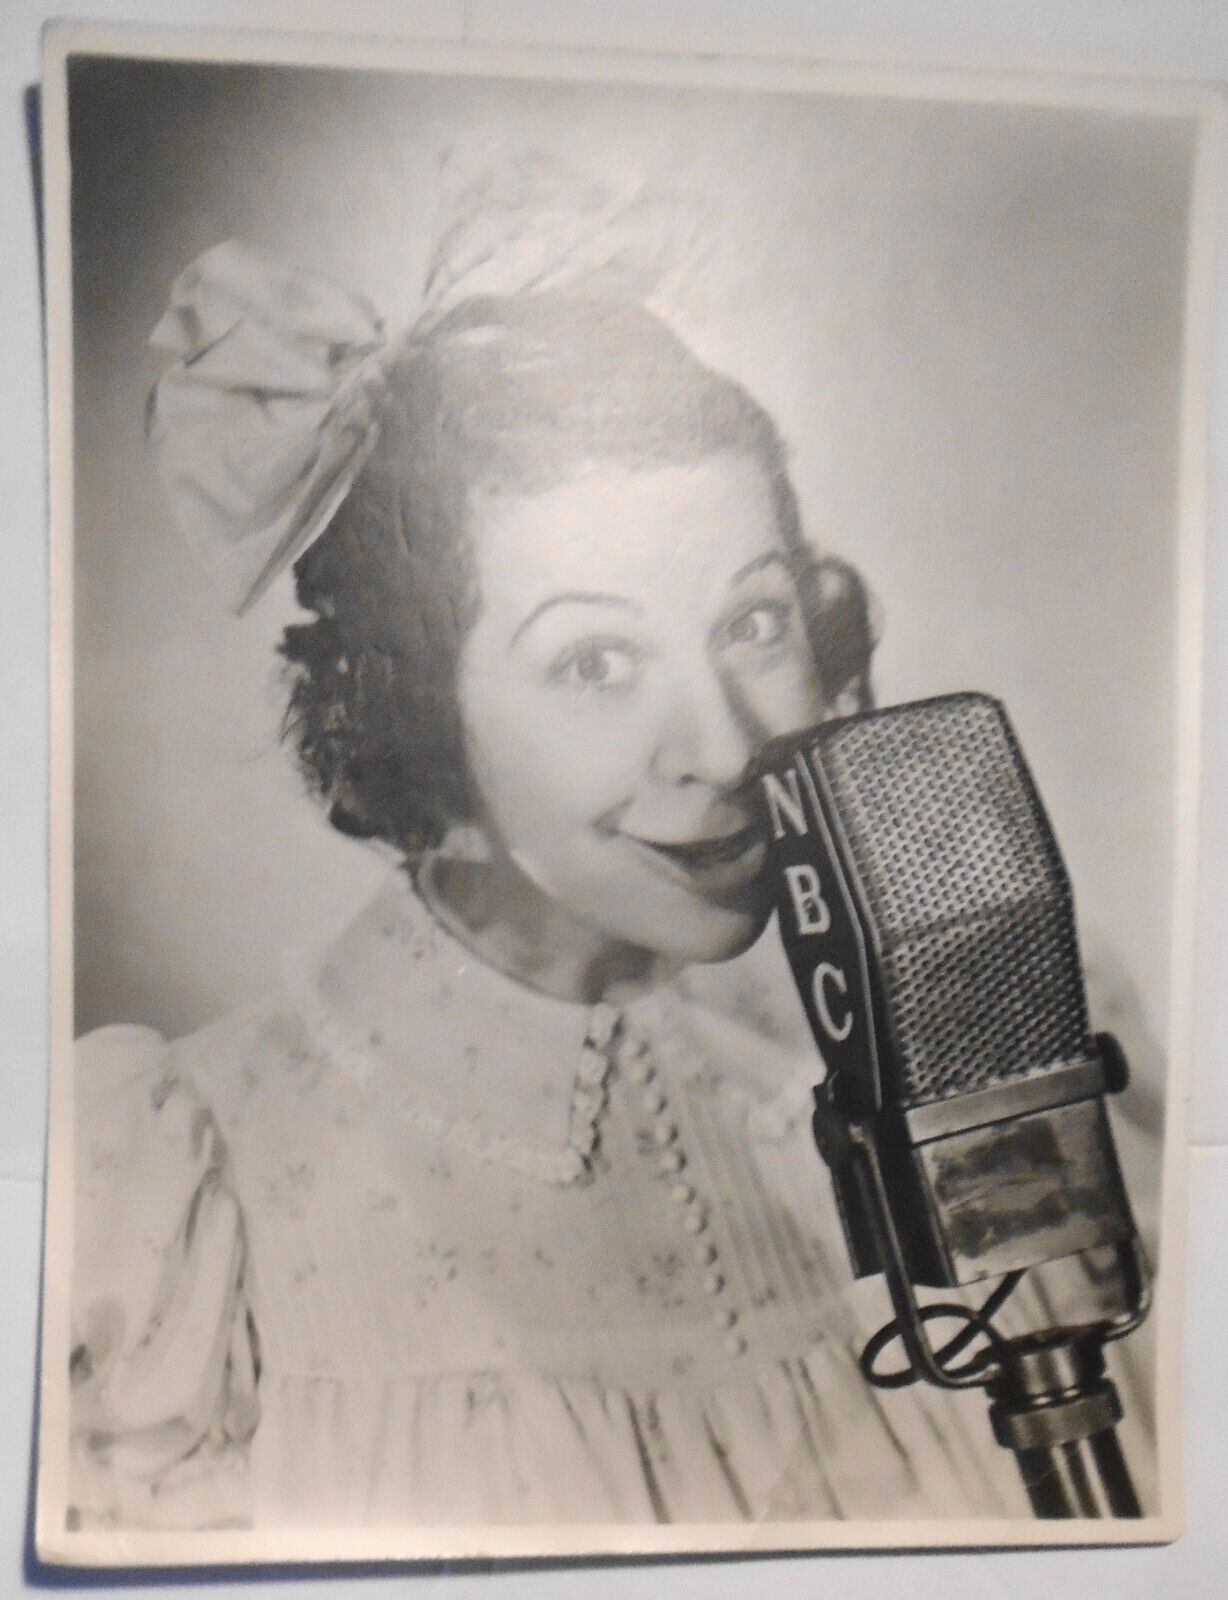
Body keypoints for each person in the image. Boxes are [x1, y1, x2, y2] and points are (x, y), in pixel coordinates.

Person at [67, 186, 1139, 1536]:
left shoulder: (958, 1060)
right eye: (594, 661)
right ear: (415, 712)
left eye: (754, 622)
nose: (729, 746)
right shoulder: (183, 1202)